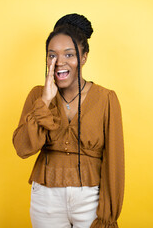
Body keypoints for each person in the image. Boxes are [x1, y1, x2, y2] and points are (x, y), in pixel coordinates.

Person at [12, 13, 125, 228]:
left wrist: (108, 214)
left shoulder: (106, 99)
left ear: (83, 58)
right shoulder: (38, 96)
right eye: (52, 55)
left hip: (91, 198)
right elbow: (22, 148)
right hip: (45, 198)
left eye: (69, 54)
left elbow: (114, 161)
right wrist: (45, 101)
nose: (59, 62)